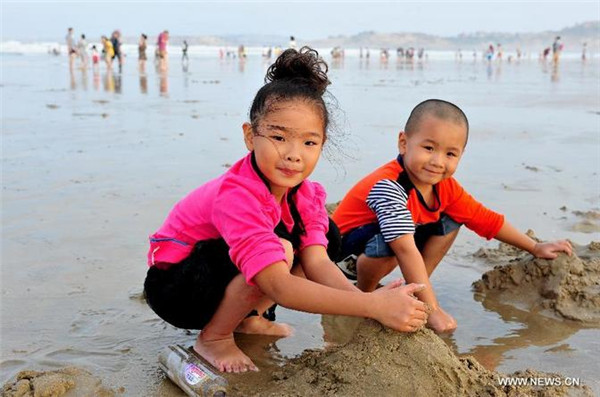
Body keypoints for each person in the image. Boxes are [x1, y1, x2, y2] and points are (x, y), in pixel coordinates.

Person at [144, 47, 428, 373]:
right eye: (279, 137)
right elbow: (278, 284)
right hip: (176, 285)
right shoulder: (237, 194)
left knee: (323, 241)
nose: (294, 155)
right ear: (250, 136)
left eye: (309, 143)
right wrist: (372, 304)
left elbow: (318, 262)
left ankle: (248, 319)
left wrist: (364, 303)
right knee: (278, 251)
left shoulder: (304, 193)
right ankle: (215, 337)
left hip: (219, 268)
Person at [331, 99, 573, 334]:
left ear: (461, 154)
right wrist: (432, 310)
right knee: (393, 240)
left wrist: (534, 247)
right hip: (340, 262)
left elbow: (485, 219)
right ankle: (363, 297)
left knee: (453, 219)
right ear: (404, 143)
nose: (437, 162)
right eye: (428, 148)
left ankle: (415, 289)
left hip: (380, 248)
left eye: (450, 154)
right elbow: (404, 248)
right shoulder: (388, 185)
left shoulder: (445, 187)